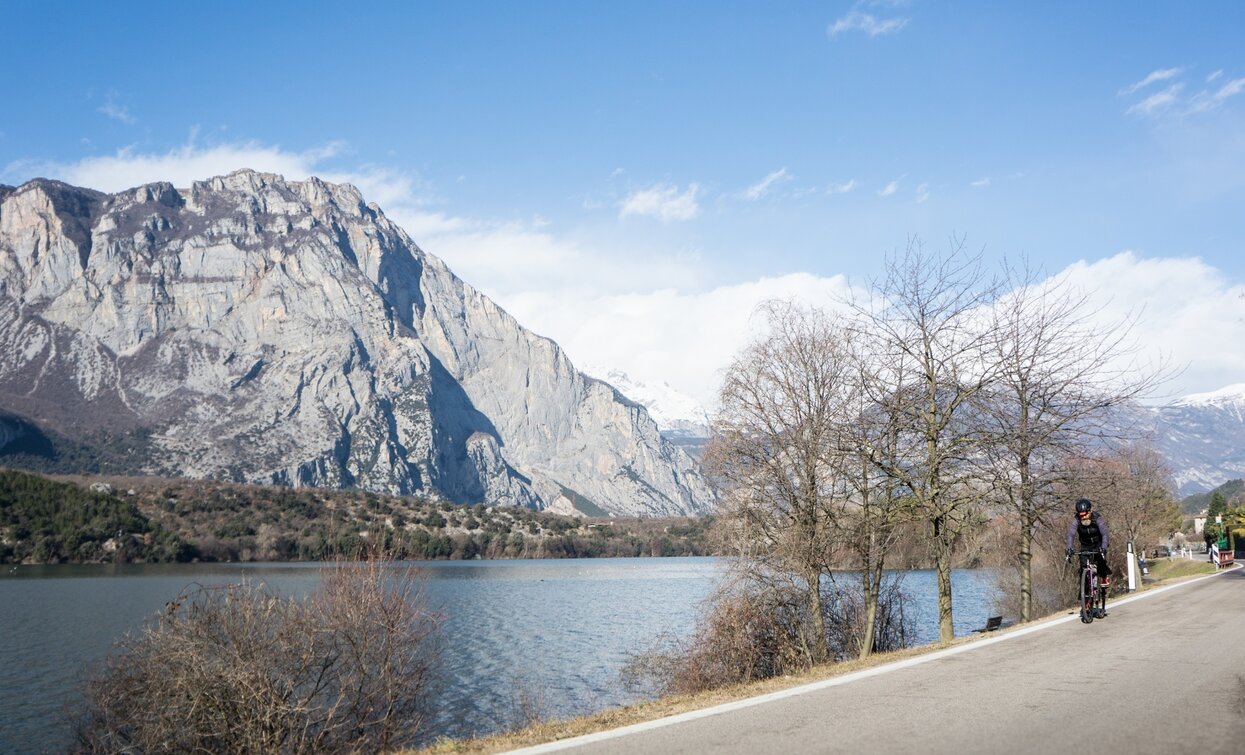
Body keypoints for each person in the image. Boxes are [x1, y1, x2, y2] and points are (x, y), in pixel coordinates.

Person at [1065, 498, 1111, 618]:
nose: (1083, 518)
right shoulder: (1076, 520)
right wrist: (1069, 548)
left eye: (1085, 515)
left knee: (1101, 560)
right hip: (1085, 545)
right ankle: (1086, 601)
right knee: (1083, 571)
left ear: (1090, 512)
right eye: (1081, 516)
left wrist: (1104, 547)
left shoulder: (1098, 518)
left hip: (1098, 544)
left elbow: (1105, 534)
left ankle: (1104, 576)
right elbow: (1071, 534)